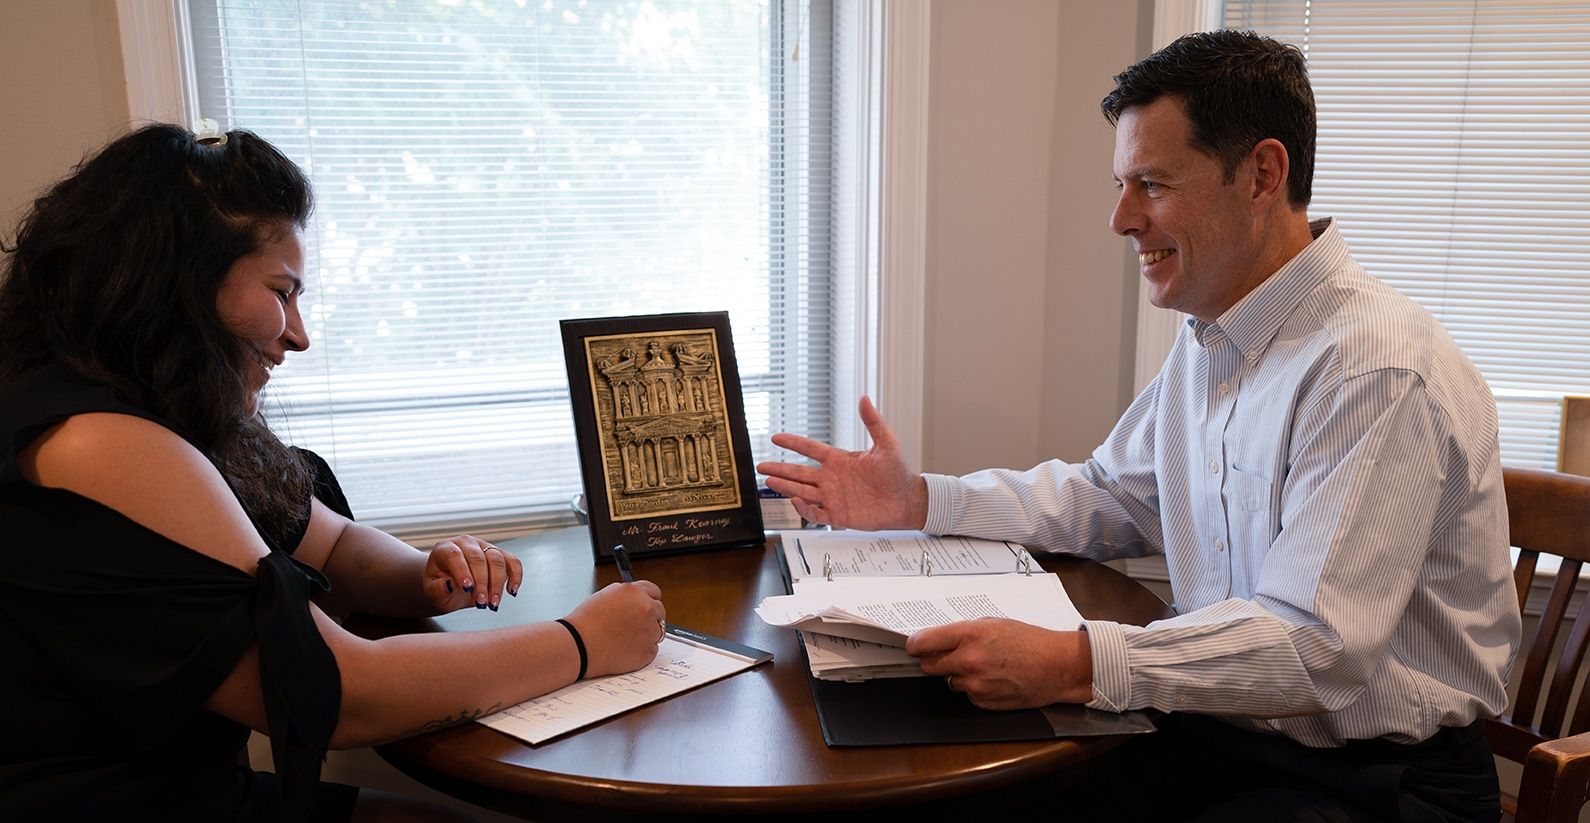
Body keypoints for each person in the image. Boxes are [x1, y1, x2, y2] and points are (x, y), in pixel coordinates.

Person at [759, 30, 1520, 821]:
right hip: (1222, 734)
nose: (1121, 219)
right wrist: (918, 501)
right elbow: (1109, 495)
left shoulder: (1376, 369)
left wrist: (1077, 661)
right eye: (1122, 185)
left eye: (1151, 184)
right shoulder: (1214, 336)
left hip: (1379, 782)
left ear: (1263, 174)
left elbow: (1314, 645)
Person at [0, 124, 667, 821]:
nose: (298, 334)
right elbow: (342, 693)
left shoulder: (161, 411)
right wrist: (582, 642)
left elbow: (333, 543)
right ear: (179, 286)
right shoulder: (98, 443)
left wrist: (422, 574)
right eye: (281, 292)